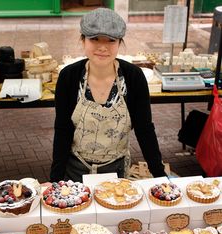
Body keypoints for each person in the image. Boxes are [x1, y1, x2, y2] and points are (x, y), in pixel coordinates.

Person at [50, 7, 166, 183]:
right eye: (94, 39)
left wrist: (160, 176)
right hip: (75, 172)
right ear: (83, 40)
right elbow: (63, 130)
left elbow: (144, 129)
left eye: (111, 40)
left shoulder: (133, 77)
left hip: (116, 172)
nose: (102, 47)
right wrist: (55, 180)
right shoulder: (69, 77)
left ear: (120, 42)